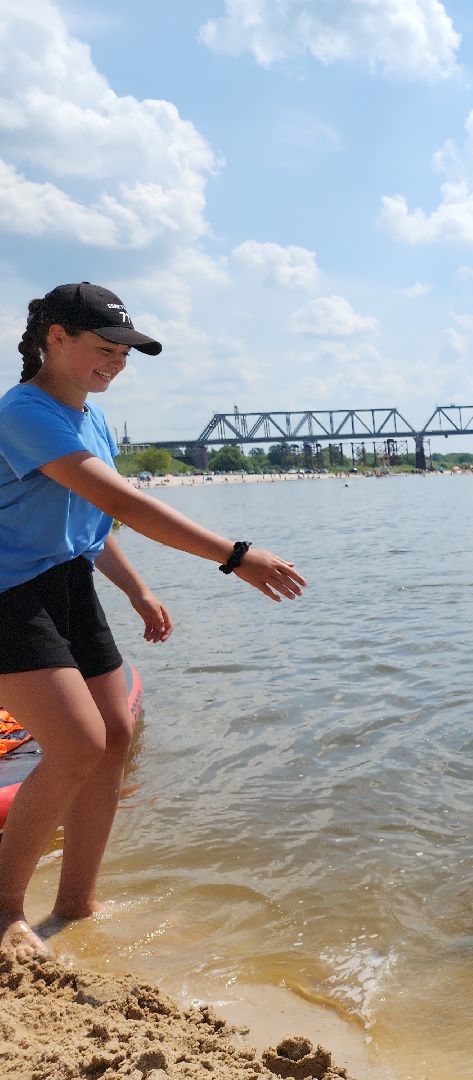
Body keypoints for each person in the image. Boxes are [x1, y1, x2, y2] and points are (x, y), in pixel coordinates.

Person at [0, 283, 306, 959]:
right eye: (103, 349)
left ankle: (77, 902)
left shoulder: (92, 419)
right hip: (9, 595)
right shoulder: (23, 411)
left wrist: (137, 591)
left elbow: (95, 521)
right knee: (76, 744)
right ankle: (4, 912)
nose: (116, 363)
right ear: (54, 337)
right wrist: (236, 556)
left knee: (114, 738)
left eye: (124, 353)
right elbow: (128, 503)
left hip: (68, 583)